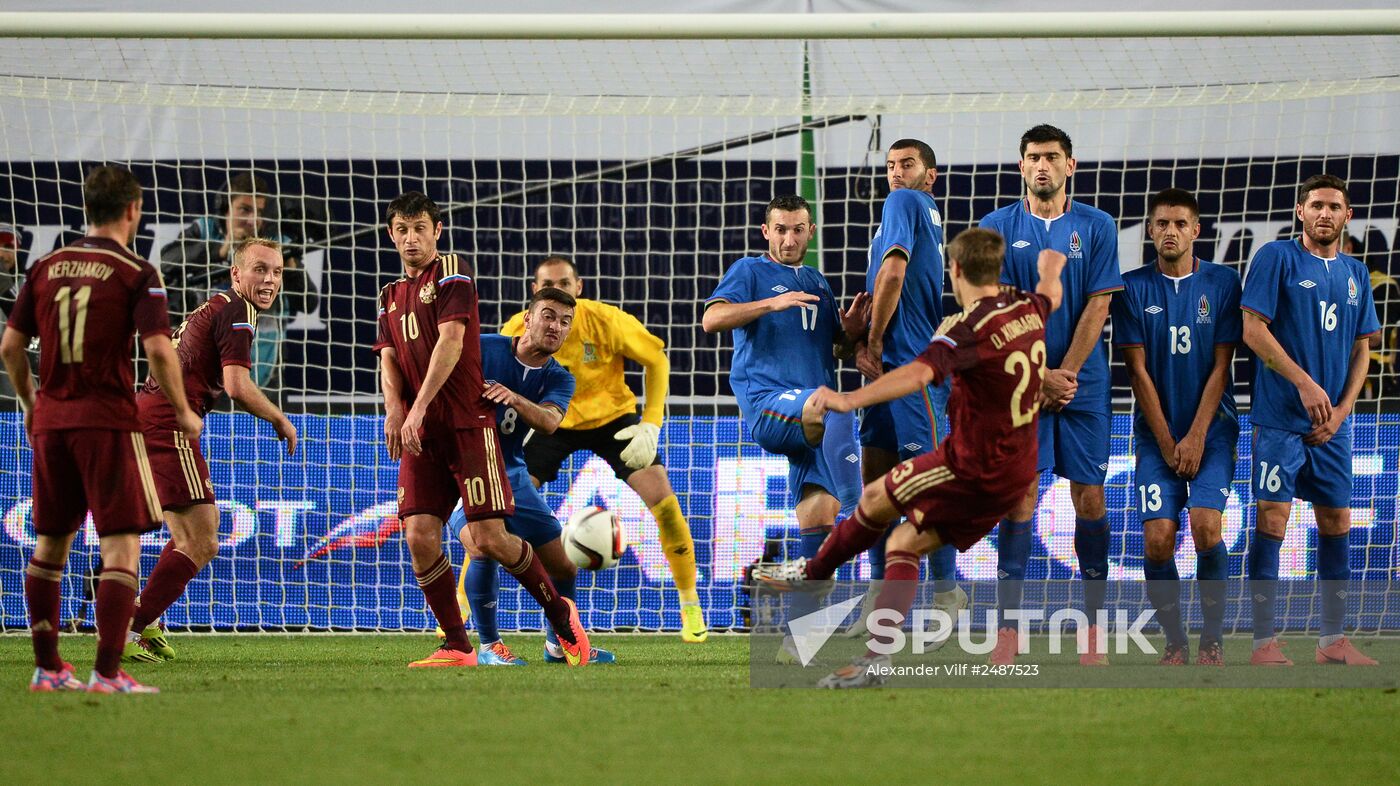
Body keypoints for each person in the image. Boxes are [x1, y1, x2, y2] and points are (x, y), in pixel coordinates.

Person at [754, 230, 1066, 688]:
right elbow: (1050, 294)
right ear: (996, 271)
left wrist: (849, 400)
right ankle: (867, 652)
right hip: (1018, 469)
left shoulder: (968, 331)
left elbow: (916, 374)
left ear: (954, 271)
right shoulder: (1027, 308)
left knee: (878, 501)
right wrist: (1052, 266)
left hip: (971, 467)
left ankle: (816, 574)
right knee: (900, 535)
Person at [1, 165, 202, 693]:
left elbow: (9, 347)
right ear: (133, 209)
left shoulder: (45, 266)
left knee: (50, 545)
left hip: (50, 420)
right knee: (121, 547)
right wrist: (181, 409)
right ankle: (108, 674)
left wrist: (28, 403)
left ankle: (47, 669)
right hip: (107, 421)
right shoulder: (135, 271)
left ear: (88, 208)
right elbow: (159, 350)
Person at [375, 191, 590, 667]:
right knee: (418, 535)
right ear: (392, 235)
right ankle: (460, 644)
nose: (412, 238)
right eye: (403, 230)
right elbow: (389, 356)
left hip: (467, 429)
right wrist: (396, 410)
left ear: (437, 231)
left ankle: (560, 618)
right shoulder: (390, 295)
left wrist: (420, 407)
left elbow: (451, 342)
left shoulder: (453, 271)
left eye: (421, 228)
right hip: (420, 431)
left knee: (489, 538)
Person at [503, 256, 708, 642]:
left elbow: (656, 360)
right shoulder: (519, 328)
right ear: (535, 293)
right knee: (498, 507)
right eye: (550, 283)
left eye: (566, 282)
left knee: (664, 501)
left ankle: (689, 602)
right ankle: (466, 605)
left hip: (612, 419)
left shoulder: (606, 321)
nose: (559, 289)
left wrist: (651, 423)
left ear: (578, 287)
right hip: (551, 422)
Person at [979, 124, 1124, 665]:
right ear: (1021, 166)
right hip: (1020, 386)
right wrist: (1036, 376)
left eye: (1052, 157)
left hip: (1082, 386)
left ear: (1071, 166)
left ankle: (1093, 630)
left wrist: (1065, 373)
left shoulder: (1098, 225)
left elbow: (1099, 306)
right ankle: (1008, 634)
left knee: (1089, 496)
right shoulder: (995, 227)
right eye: (1033, 157)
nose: (1042, 165)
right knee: (1019, 498)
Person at [702, 194, 867, 659]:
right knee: (837, 406)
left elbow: (836, 350)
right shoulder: (750, 271)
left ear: (810, 232)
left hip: (813, 420)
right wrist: (768, 306)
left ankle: (797, 643)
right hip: (771, 402)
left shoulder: (817, 281)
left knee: (818, 527)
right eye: (781, 229)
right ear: (766, 232)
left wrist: (850, 331)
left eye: (798, 229)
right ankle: (866, 511)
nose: (789, 238)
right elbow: (711, 318)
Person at [121, 237, 300, 663]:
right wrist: (279, 418)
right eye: (260, 269)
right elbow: (237, 386)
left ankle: (144, 621)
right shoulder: (238, 313)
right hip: (168, 422)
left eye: (276, 272)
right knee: (202, 539)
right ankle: (127, 629)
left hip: (150, 416)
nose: (270, 279)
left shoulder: (219, 306)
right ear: (236, 274)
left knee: (193, 533)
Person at [1241, 174, 1380, 667]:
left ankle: (1332, 642)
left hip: (1332, 428)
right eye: (1316, 205)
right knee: (1272, 519)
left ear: (1347, 217)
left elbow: (1364, 347)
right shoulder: (1276, 259)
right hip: (1279, 420)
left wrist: (1342, 411)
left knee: (1336, 519)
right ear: (1301, 212)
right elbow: (1253, 331)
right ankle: (1263, 644)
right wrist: (1304, 383)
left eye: (1334, 207)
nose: (1325, 214)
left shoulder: (1356, 274)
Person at [446, 287, 616, 665]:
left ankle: (558, 643)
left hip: (512, 474)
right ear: (528, 318)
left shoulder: (559, 378)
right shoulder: (483, 347)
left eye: (565, 322)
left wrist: (514, 397)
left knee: (563, 564)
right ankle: (489, 646)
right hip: (464, 468)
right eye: (549, 316)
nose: (557, 327)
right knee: (482, 546)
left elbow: (550, 422)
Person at [1111, 189, 1240, 666]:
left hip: (1214, 431)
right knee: (1158, 539)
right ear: (1150, 230)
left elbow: (1221, 366)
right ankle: (1175, 641)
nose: (1170, 231)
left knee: (1207, 529)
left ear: (1196, 231)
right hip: (1155, 435)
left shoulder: (1224, 284)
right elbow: (1136, 372)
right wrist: (1167, 440)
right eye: (1162, 223)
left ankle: (1212, 640)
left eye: (1180, 224)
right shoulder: (1131, 287)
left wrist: (1196, 436)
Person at [853, 139, 964, 635]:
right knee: (876, 483)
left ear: (930, 174)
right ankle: (878, 602)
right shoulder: (926, 212)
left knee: (922, 484)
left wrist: (873, 343)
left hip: (906, 364)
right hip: (893, 365)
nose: (896, 173)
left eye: (908, 164)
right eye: (891, 166)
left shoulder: (903, 202)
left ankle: (947, 590)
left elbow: (893, 272)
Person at [161, 172, 302, 387]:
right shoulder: (205, 230)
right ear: (225, 208)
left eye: (259, 212)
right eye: (244, 210)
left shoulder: (277, 244)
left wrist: (291, 267)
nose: (252, 220)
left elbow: (309, 302)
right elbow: (168, 260)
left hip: (263, 362)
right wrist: (221, 250)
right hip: (205, 362)